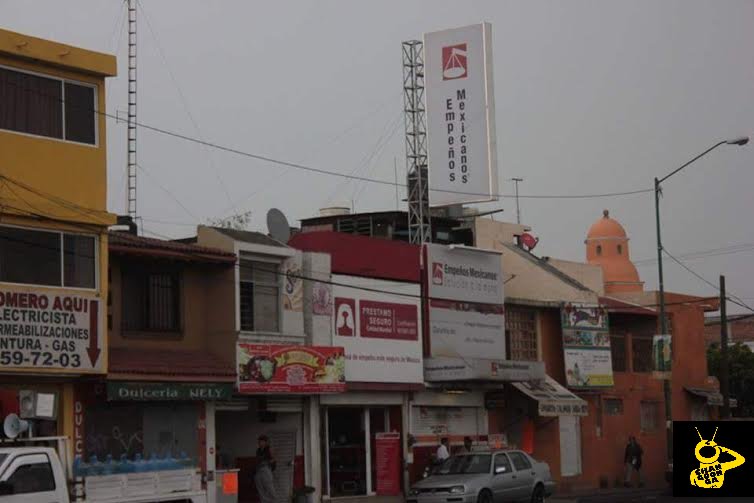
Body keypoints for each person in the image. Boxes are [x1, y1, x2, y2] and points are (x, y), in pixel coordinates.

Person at [255, 435, 277, 503]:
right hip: (259, 470)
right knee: (260, 488)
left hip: (266, 469)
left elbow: (274, 459)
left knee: (269, 488)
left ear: (265, 442)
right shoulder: (258, 450)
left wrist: (266, 463)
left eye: (261, 441)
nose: (259, 442)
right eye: (259, 441)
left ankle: (274, 501)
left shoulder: (269, 449)